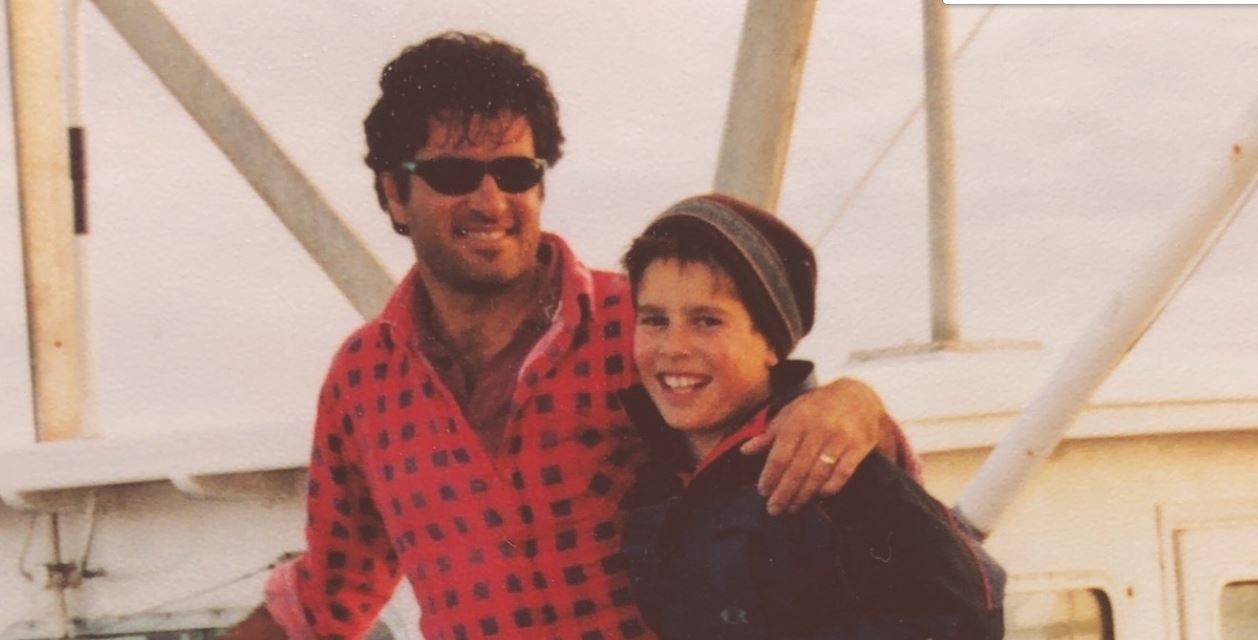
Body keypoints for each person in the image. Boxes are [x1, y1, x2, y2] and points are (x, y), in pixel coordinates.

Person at [224, 32, 917, 640]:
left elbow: (797, 442)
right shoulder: (361, 380)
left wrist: (853, 405)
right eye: (454, 173)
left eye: (517, 172)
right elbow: (325, 597)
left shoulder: (641, 326)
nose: (491, 201)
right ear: (393, 195)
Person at [618, 194, 1004, 639]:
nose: (673, 347)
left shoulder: (830, 465)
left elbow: (968, 604)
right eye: (654, 320)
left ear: (771, 343)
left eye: (707, 321)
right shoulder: (655, 480)